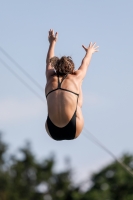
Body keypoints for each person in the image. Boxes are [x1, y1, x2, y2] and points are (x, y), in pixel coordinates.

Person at [45, 29, 99, 141]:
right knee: (77, 96)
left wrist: (52, 43)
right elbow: (85, 63)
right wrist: (89, 51)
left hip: (52, 130)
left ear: (56, 67)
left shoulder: (50, 77)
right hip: (73, 128)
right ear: (72, 69)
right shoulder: (76, 77)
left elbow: (49, 62)